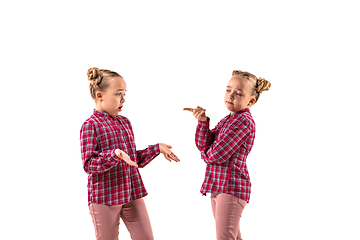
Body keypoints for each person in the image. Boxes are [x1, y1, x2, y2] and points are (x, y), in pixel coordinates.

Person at [80, 67, 180, 240]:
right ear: (100, 96)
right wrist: (114, 155)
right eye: (118, 94)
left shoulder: (125, 122)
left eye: (124, 94)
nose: (123, 99)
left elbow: (134, 160)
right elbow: (89, 164)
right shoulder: (90, 125)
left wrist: (157, 148)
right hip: (105, 197)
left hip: (131, 192)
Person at [184, 70, 271, 240]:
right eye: (228, 90)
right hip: (219, 186)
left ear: (251, 101)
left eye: (238, 93)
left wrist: (207, 152)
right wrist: (203, 122)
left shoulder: (243, 121)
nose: (231, 95)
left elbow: (215, 155)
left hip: (231, 187)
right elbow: (204, 144)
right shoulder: (228, 119)